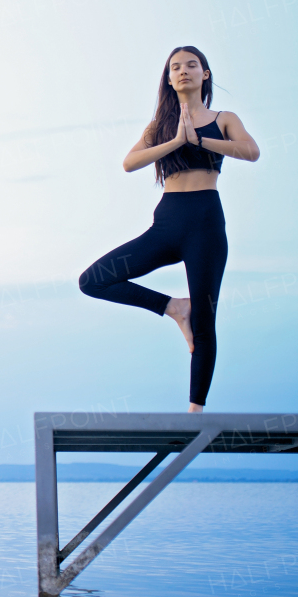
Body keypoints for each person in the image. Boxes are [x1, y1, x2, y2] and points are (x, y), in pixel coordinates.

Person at [78, 46, 260, 411]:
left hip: (205, 223)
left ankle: (195, 411)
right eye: (175, 67)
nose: (184, 71)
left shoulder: (224, 118)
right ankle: (174, 307)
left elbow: (251, 151)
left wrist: (199, 140)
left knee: (206, 319)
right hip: (167, 223)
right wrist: (175, 141)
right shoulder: (158, 127)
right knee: (93, 279)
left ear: (204, 74)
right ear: (168, 78)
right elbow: (129, 163)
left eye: (192, 65)